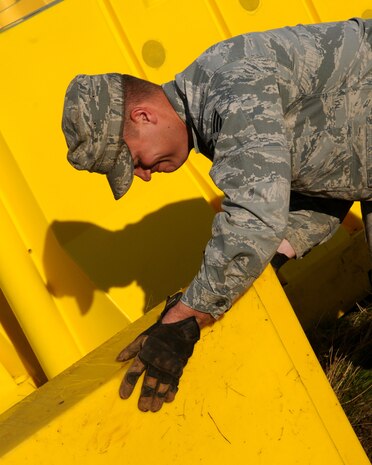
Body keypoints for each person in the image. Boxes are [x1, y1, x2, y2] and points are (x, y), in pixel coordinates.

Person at [62, 18, 372, 412]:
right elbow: (333, 166)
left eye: (133, 160)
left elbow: (256, 210)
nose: (142, 175)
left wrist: (187, 315)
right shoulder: (212, 119)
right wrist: (278, 249)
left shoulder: (230, 88)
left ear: (143, 117)